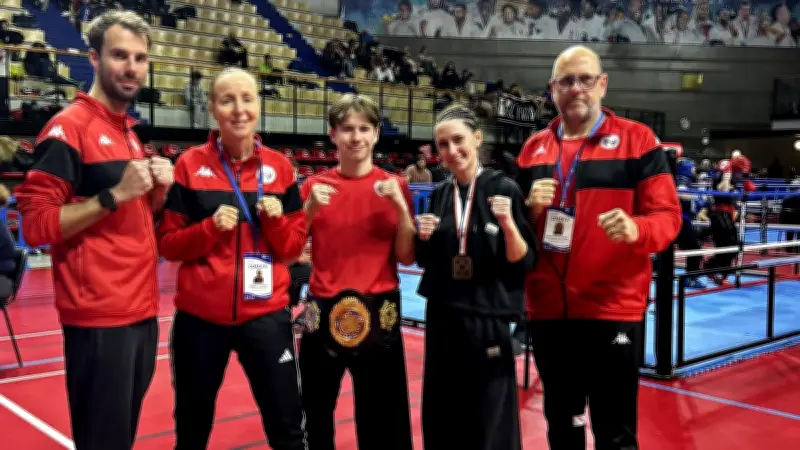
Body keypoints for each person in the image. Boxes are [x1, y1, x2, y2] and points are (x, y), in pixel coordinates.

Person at [14, 11, 172, 450]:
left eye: (140, 58)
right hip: (100, 318)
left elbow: (132, 220)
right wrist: (112, 195)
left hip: (140, 310)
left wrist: (157, 194)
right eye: (120, 55)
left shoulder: (128, 133)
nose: (131, 67)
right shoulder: (68, 129)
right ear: (94, 59)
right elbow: (34, 227)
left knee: (120, 436)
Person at [516, 45, 681, 450]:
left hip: (612, 309)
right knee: (563, 424)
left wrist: (637, 228)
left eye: (586, 79)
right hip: (550, 310)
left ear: (602, 84)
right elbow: (516, 232)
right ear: (552, 89)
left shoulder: (637, 140)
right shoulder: (533, 148)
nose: (577, 88)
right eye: (566, 81)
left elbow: (668, 217)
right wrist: (528, 209)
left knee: (615, 430)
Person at [156, 67, 308, 450]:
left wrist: (276, 223)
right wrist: (209, 229)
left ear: (259, 105)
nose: (239, 109)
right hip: (200, 321)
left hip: (266, 316)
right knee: (191, 429)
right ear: (212, 107)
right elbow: (168, 245)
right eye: (227, 100)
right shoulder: (189, 165)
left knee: (288, 427)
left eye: (247, 99)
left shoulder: (281, 168)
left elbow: (292, 250)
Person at [298, 93, 416, 450]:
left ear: (377, 134)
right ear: (333, 134)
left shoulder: (396, 186)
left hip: (380, 311)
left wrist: (400, 207)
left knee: (381, 419)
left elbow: (406, 256)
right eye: (347, 129)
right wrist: (308, 210)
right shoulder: (313, 187)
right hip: (322, 310)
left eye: (364, 128)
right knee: (315, 412)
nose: (356, 137)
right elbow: (291, 251)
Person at [414, 104, 536, 450]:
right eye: (443, 144)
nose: (451, 150)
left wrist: (508, 224)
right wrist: (423, 237)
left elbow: (524, 261)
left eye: (458, 140)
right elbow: (426, 261)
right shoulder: (440, 194)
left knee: (489, 414)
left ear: (477, 139)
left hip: (487, 316)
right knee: (443, 407)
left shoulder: (505, 188)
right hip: (443, 315)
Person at [674, 157, 708, 288]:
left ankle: (657, 271)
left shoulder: (682, 180)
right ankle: (690, 278)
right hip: (681, 222)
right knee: (695, 248)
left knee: (666, 248)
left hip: (680, 221)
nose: (694, 170)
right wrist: (697, 199)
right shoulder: (682, 181)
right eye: (692, 168)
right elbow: (681, 193)